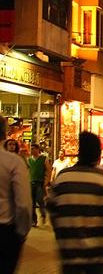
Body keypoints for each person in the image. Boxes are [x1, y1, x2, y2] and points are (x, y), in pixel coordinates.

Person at [47, 132, 103, 274]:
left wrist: (62, 235)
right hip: (98, 255)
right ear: (98, 154)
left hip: (69, 253)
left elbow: (53, 212)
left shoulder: (62, 178)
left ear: (79, 152)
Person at [0, 117, 32, 274]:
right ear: (4, 135)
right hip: (4, 232)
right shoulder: (14, 162)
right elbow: (23, 204)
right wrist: (22, 233)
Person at [28, 143, 52, 227]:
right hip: (31, 182)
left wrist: (47, 181)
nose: (32, 150)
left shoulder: (43, 158)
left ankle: (43, 214)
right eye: (31, 149)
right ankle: (33, 221)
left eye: (34, 148)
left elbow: (49, 170)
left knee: (40, 199)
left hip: (40, 182)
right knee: (31, 203)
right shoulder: (29, 160)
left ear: (38, 149)